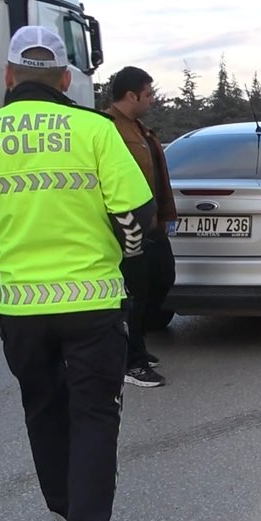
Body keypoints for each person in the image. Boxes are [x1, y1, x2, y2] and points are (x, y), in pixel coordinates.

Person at [0, 26, 155, 521]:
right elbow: (138, 220)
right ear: (64, 79)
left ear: (8, 75)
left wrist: (1, 256)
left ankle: (63, 512)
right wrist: (115, 254)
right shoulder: (94, 131)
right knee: (94, 415)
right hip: (92, 302)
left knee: (43, 408)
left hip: (19, 307)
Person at [105, 66, 176, 388]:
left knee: (162, 278)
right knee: (133, 294)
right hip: (126, 225)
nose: (151, 100)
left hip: (151, 223)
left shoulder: (138, 128)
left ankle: (138, 347)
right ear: (131, 95)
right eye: (148, 94)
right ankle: (130, 361)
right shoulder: (107, 129)